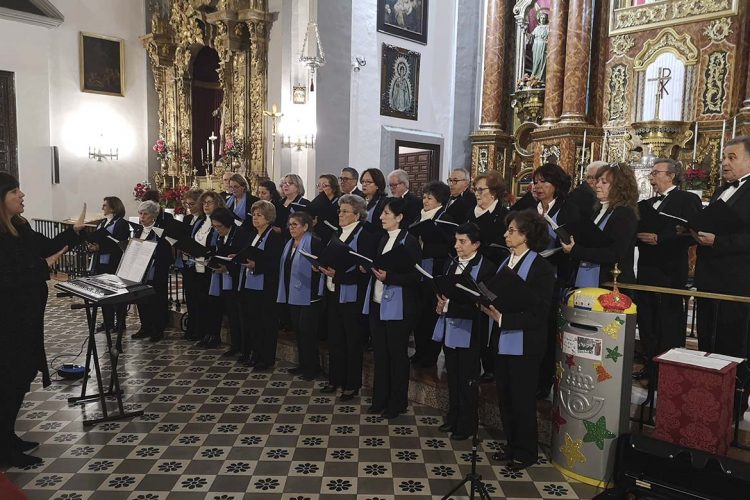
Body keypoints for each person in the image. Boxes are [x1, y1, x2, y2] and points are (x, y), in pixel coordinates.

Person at [0, 173, 84, 467]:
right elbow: (8, 278)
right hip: (7, 321)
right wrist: (42, 267)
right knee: (7, 381)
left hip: (27, 318)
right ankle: (4, 449)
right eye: (14, 191)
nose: (22, 195)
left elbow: (48, 247)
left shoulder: (20, 228)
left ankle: (8, 436)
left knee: (21, 377)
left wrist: (74, 232)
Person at [483, 210, 555, 470]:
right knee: (505, 397)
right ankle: (512, 444)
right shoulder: (506, 262)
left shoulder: (541, 268)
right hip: (502, 339)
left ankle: (526, 452)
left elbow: (540, 312)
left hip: (525, 342)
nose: (506, 235)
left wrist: (503, 318)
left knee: (522, 399)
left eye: (511, 230)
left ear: (526, 235)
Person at [635, 159, 702, 380]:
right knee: (646, 318)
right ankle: (649, 364)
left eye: (655, 173)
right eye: (651, 173)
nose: (651, 177)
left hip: (670, 269)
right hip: (646, 267)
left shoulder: (687, 199)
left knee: (668, 318)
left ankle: (668, 369)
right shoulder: (646, 203)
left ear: (671, 175)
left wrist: (661, 237)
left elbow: (693, 233)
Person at [433, 223, 496, 440]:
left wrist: (452, 302)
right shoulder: (451, 263)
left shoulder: (486, 267)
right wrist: (440, 302)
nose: (457, 245)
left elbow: (484, 300)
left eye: (462, 242)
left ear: (476, 244)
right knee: (452, 375)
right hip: (450, 325)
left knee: (467, 378)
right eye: (456, 240)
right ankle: (453, 417)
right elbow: (444, 290)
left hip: (471, 328)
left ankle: (467, 423)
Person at [363, 198, 421, 419]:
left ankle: (397, 402)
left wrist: (391, 277)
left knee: (396, 354)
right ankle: (380, 399)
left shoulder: (410, 241)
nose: (381, 217)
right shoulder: (383, 238)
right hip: (378, 302)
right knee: (380, 353)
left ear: (399, 217)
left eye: (386, 213)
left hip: (400, 306)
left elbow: (417, 277)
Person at [694, 136, 750, 360]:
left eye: (732, 157)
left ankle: (736, 392)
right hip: (709, 280)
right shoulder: (720, 191)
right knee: (707, 343)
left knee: (733, 347)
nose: (724, 163)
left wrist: (718, 242)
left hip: (736, 283)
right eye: (723, 158)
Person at [529, 163, 580, 399]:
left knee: (548, 331)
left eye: (544, 182)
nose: (538, 186)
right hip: (530, 273)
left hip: (556, 274)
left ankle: (544, 380)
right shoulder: (530, 208)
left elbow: (573, 241)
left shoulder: (568, 209)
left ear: (556, 186)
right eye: (536, 181)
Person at [318, 194, 376, 399]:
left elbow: (365, 269)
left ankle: (352, 383)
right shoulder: (337, 233)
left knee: (352, 340)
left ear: (358, 215)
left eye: (345, 212)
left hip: (352, 296)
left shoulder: (365, 235)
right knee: (335, 338)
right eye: (339, 211)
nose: (340, 215)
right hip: (333, 292)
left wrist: (339, 274)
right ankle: (335, 379)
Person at [561, 162, 639, 287]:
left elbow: (615, 253)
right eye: (598, 181)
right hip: (586, 274)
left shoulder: (625, 214)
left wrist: (575, 250)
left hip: (608, 281)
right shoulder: (598, 210)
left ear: (619, 186)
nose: (597, 185)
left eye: (604, 182)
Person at [467, 170, 509, 382]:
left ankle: (490, 364)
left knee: (488, 319)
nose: (477, 193)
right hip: (470, 268)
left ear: (493, 193)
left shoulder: (502, 216)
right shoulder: (470, 212)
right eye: (475, 189)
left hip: (491, 272)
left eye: (481, 190)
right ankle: (473, 359)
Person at [277, 211, 325, 380]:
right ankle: (303, 364)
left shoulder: (314, 241)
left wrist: (318, 269)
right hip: (293, 293)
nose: (291, 228)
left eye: (295, 225)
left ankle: (313, 367)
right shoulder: (290, 242)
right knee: (298, 330)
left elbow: (322, 264)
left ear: (306, 226)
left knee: (307, 332)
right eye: (289, 225)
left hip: (309, 294)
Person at [412, 180, 454, 368]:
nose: (425, 200)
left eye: (430, 198)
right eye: (424, 197)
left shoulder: (445, 217)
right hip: (418, 270)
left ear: (440, 201)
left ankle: (430, 355)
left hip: (435, 269)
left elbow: (448, 245)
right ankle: (419, 352)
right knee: (418, 315)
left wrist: (428, 240)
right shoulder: (419, 215)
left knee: (431, 315)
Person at [238, 200, 284, 370]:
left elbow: (276, 262)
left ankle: (266, 358)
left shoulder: (274, 237)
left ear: (269, 218)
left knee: (267, 323)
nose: (255, 218)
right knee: (253, 322)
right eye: (254, 215)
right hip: (250, 284)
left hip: (266, 286)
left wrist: (256, 265)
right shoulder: (253, 235)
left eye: (259, 215)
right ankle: (254, 353)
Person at [207, 207, 251, 357]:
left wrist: (228, 266)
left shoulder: (240, 234)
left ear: (227, 223)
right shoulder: (220, 236)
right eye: (214, 227)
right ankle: (235, 345)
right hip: (226, 279)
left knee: (240, 316)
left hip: (238, 280)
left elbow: (244, 256)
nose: (217, 230)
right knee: (231, 314)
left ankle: (244, 347)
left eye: (219, 226)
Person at [131, 200, 173, 343]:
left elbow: (166, 253)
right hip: (140, 270)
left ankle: (157, 329)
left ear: (153, 216)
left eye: (145, 214)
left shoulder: (160, 231)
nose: (142, 217)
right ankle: (145, 327)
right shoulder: (138, 230)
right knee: (142, 299)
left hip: (155, 270)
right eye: (140, 214)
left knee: (156, 300)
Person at [88, 196, 129, 333]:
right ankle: (108, 322)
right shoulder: (102, 222)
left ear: (113, 208)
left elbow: (120, 244)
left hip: (114, 263)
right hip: (101, 263)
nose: (102, 208)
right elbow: (97, 238)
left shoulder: (121, 224)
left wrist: (101, 247)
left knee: (116, 293)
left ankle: (120, 322)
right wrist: (92, 246)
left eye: (105, 205)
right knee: (104, 294)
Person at [193, 191, 225, 347]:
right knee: (201, 302)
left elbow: (217, 245)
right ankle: (205, 333)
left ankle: (214, 334)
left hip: (211, 268)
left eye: (210, 202)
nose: (206, 205)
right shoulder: (200, 221)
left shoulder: (219, 223)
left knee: (213, 303)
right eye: (204, 202)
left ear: (217, 204)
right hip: (197, 266)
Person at [176, 189, 204, 341]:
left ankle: (198, 328)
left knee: (198, 297)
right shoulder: (187, 219)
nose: (189, 207)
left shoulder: (203, 219)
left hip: (197, 262)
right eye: (187, 204)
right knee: (190, 297)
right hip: (187, 261)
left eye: (192, 204)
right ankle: (191, 327)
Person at [277, 174, 310, 238]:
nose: (285, 185)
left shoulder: (304, 204)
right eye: (284, 183)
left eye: (290, 183)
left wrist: (281, 230)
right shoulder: (279, 203)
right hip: (278, 238)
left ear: (298, 186)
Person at [311, 174, 342, 243]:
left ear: (333, 188)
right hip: (317, 235)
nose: (320, 188)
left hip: (333, 236)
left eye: (324, 185)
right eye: (319, 185)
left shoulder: (339, 203)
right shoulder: (316, 201)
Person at [361, 168, 388, 232]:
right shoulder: (359, 200)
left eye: (368, 182)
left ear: (378, 185)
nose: (364, 184)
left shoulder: (384, 202)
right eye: (363, 181)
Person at [529, 11, 549, 81]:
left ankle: (540, 77)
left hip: (543, 45)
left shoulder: (547, 27)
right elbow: (531, 36)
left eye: (544, 18)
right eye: (541, 18)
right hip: (536, 45)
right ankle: (534, 75)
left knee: (541, 61)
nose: (542, 19)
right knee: (535, 61)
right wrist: (525, 32)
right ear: (539, 19)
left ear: (546, 19)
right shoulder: (537, 28)